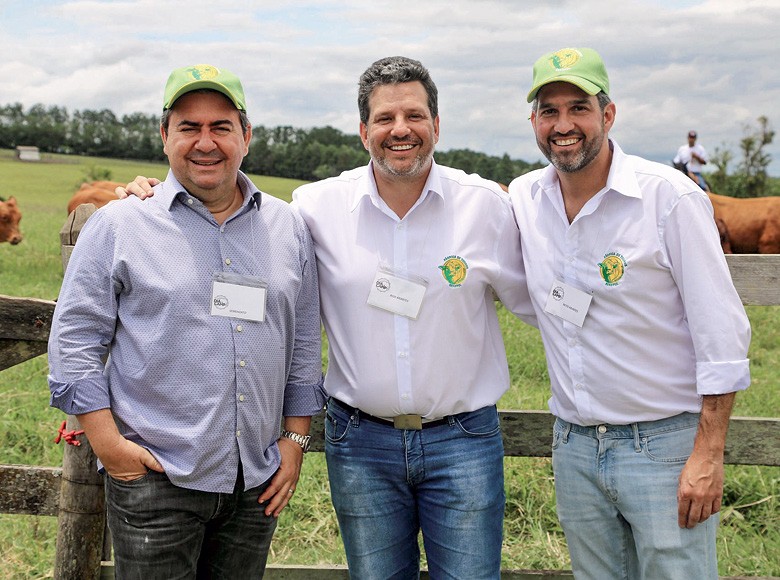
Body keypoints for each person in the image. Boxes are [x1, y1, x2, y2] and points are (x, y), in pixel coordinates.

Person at [119, 55, 535, 580]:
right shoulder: (313, 208)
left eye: (414, 116)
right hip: (362, 442)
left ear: (436, 125)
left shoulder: (488, 207)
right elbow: (231, 217)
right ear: (364, 131)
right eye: (384, 118)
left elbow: (542, 292)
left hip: (464, 441)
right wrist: (154, 197)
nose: (399, 130)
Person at [48, 64, 325, 579]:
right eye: (189, 127)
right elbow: (75, 340)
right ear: (164, 136)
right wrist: (109, 446)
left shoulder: (286, 227)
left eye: (220, 127)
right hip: (155, 475)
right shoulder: (121, 224)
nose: (206, 142)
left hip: (255, 480)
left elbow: (303, 340)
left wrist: (296, 440)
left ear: (245, 136)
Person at [507, 47, 751, 580]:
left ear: (608, 114)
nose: (563, 124)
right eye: (549, 111)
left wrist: (708, 452)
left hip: (662, 444)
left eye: (579, 108)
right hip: (573, 444)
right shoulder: (525, 197)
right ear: (533, 121)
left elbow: (722, 334)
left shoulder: (669, 198)